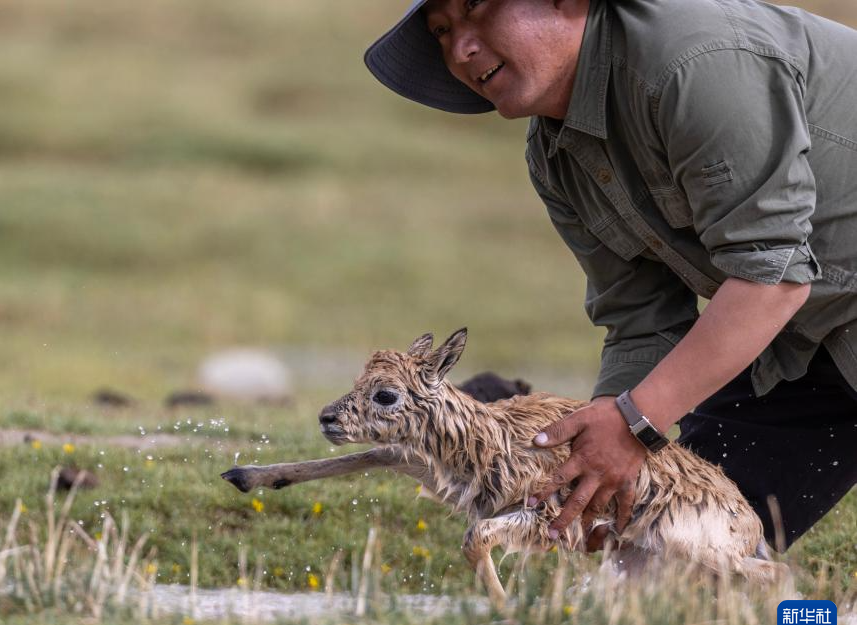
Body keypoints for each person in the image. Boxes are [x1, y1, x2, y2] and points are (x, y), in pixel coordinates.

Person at [363, 0, 857, 551]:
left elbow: (774, 278)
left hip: (789, 308)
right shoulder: (554, 156)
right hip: (793, 344)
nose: (461, 48)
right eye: (441, 31)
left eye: (477, 8)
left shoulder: (691, 63)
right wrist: (593, 463)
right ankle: (797, 619)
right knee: (667, 551)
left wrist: (633, 424)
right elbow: (640, 318)